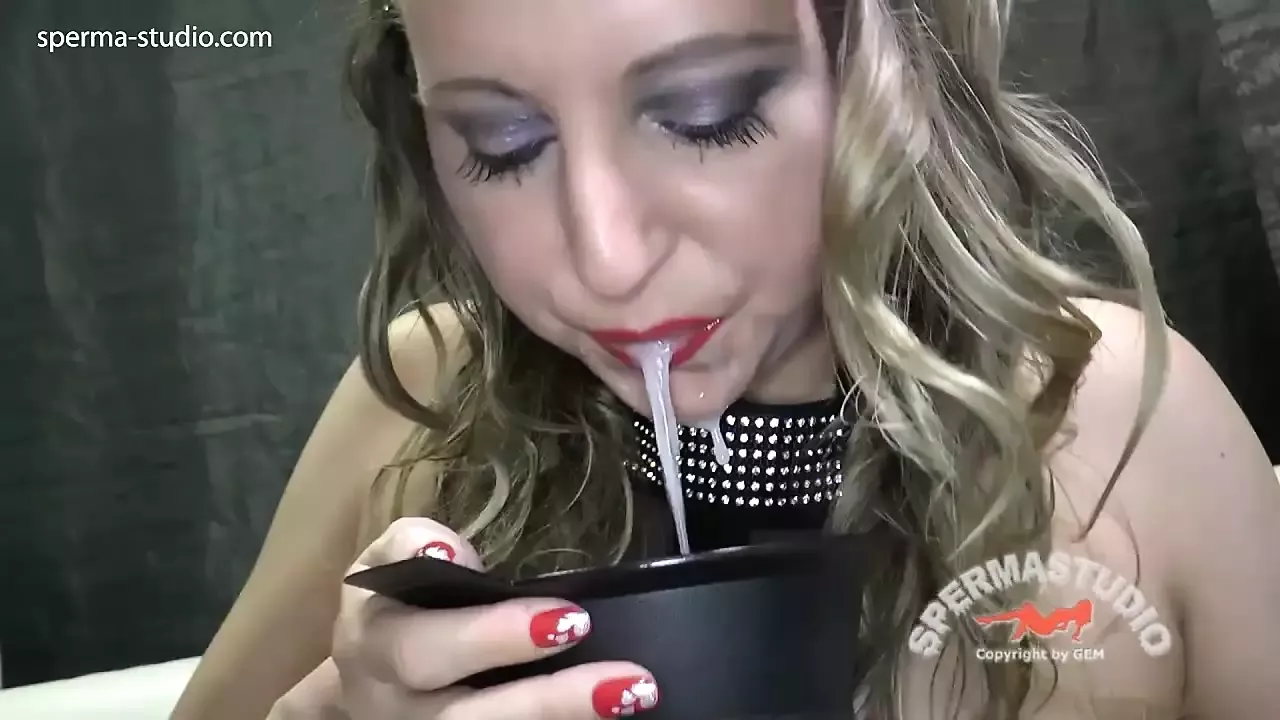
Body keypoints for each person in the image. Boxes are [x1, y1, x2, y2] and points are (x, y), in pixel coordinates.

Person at [171, 0, 1280, 717]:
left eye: (706, 116)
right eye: (501, 145)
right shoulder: (422, 403)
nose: (605, 259)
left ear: (880, 68)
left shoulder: (1127, 428)